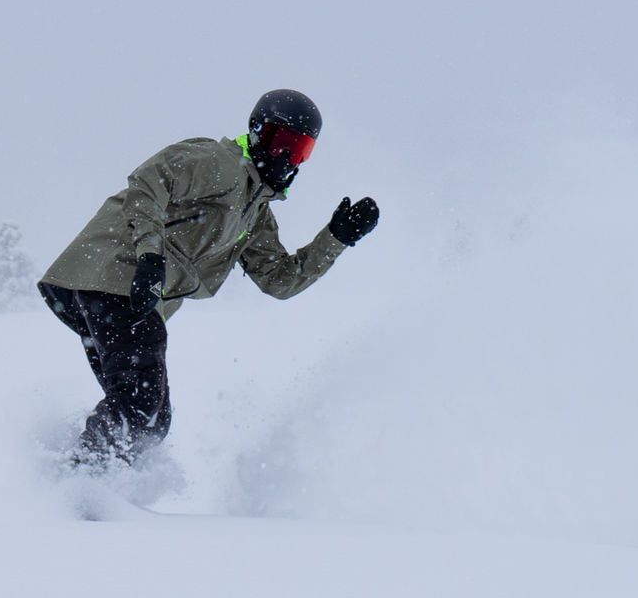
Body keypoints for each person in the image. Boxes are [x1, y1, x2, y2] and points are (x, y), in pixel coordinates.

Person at [36, 89, 380, 473]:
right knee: (139, 402)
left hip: (117, 292)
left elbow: (278, 279)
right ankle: (82, 482)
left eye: (299, 150)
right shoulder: (218, 162)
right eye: (279, 142)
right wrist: (150, 255)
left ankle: (83, 479)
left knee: (152, 415)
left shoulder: (256, 215)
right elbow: (148, 185)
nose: (285, 158)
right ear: (255, 133)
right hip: (117, 274)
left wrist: (336, 238)